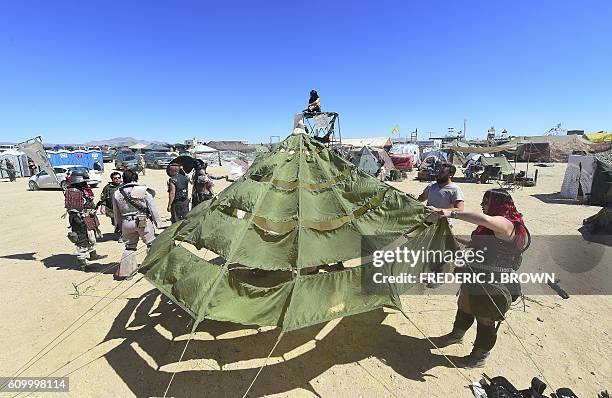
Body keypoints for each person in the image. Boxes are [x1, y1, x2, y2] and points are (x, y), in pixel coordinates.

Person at [429, 189, 530, 367]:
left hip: (494, 281)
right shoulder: (492, 226)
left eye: (486, 202)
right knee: (465, 305)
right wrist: (458, 240)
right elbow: (485, 244)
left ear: (498, 204)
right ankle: (456, 335)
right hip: (475, 273)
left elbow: (486, 219)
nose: (482, 205)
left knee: (485, 317)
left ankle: (479, 357)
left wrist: (451, 213)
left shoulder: (507, 223)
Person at [112, 170, 162, 280]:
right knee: (151, 244)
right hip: (142, 221)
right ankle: (153, 268)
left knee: (130, 247)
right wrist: (158, 223)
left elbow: (116, 212)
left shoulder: (117, 193)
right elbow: (152, 208)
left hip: (126, 222)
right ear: (136, 178)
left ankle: (126, 272)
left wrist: (118, 225)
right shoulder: (142, 190)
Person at [64, 171, 106, 268]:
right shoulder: (73, 191)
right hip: (79, 219)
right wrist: (80, 221)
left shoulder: (83, 190)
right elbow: (73, 210)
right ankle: (82, 262)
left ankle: (93, 254)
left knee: (91, 237)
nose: (86, 183)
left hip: (88, 217)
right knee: (82, 240)